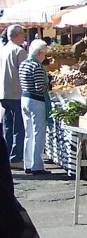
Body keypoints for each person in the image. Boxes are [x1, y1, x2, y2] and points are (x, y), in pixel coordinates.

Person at [20, 40, 51, 175]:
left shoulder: (23, 64)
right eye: (44, 54)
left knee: (28, 133)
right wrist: (50, 84)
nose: (45, 57)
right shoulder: (36, 66)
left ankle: (28, 163)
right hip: (36, 101)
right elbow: (40, 87)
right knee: (39, 133)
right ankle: (37, 165)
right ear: (39, 53)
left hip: (25, 98)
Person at [1, 25, 27, 170]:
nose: (24, 37)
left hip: (3, 93)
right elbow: (24, 73)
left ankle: (7, 155)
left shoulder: (3, 50)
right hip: (16, 93)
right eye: (23, 34)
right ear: (17, 35)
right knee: (18, 127)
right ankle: (16, 157)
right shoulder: (19, 51)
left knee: (8, 126)